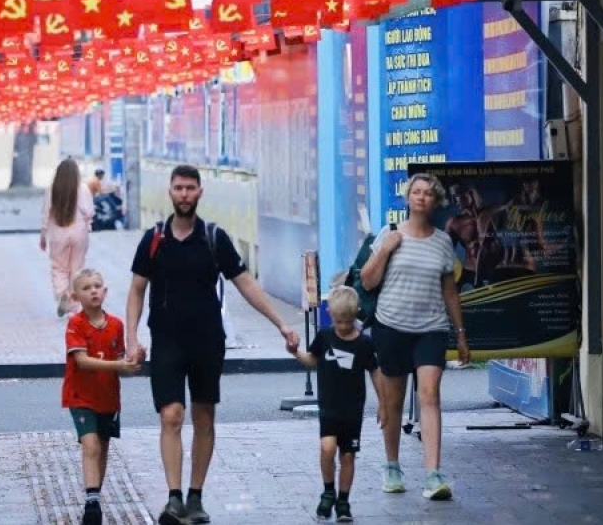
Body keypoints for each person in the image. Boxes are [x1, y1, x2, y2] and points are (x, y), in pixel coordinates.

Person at [126, 164, 300, 525]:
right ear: (170, 192)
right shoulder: (154, 238)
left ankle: (195, 497)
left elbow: (246, 284)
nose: (185, 194)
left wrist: (281, 324)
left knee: (204, 416)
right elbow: (137, 288)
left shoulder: (213, 237)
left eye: (191, 188)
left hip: (207, 341)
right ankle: (173, 498)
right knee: (171, 415)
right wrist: (131, 337)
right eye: (179, 188)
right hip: (167, 340)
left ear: (200, 192)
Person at [359, 173, 471, 501]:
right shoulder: (390, 234)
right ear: (408, 198)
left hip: (431, 329)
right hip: (392, 326)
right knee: (392, 403)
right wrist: (385, 251)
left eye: (427, 193)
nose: (421, 197)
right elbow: (367, 281)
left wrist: (460, 334)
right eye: (416, 192)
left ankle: (434, 474)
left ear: (435, 201)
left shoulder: (442, 241)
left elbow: (449, 290)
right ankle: (392, 466)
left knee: (430, 395)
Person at [289, 285, 376, 522]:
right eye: (339, 321)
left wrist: (385, 405)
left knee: (348, 456)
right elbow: (312, 360)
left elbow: (375, 373)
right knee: (327, 449)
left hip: (353, 409)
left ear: (355, 314)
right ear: (331, 316)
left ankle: (343, 501)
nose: (344, 327)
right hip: (329, 407)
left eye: (348, 321)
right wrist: (296, 353)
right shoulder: (325, 336)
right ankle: (328, 491)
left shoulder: (365, 344)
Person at [63, 268, 141, 525]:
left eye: (97, 286)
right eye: (86, 288)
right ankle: (92, 504)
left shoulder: (116, 325)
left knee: (103, 446)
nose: (93, 290)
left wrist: (134, 361)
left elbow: (121, 362)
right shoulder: (75, 324)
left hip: (108, 398)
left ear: (105, 291)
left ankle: (94, 494)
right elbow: (82, 362)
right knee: (91, 445)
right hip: (80, 397)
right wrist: (119, 366)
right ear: (76, 296)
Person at [41, 157, 95, 317]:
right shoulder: (83, 189)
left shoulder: (52, 189)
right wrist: (88, 226)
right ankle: (73, 303)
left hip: (58, 233)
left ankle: (63, 295)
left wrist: (43, 235)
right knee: (76, 269)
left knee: (59, 267)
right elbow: (89, 212)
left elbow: (46, 213)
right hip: (79, 232)